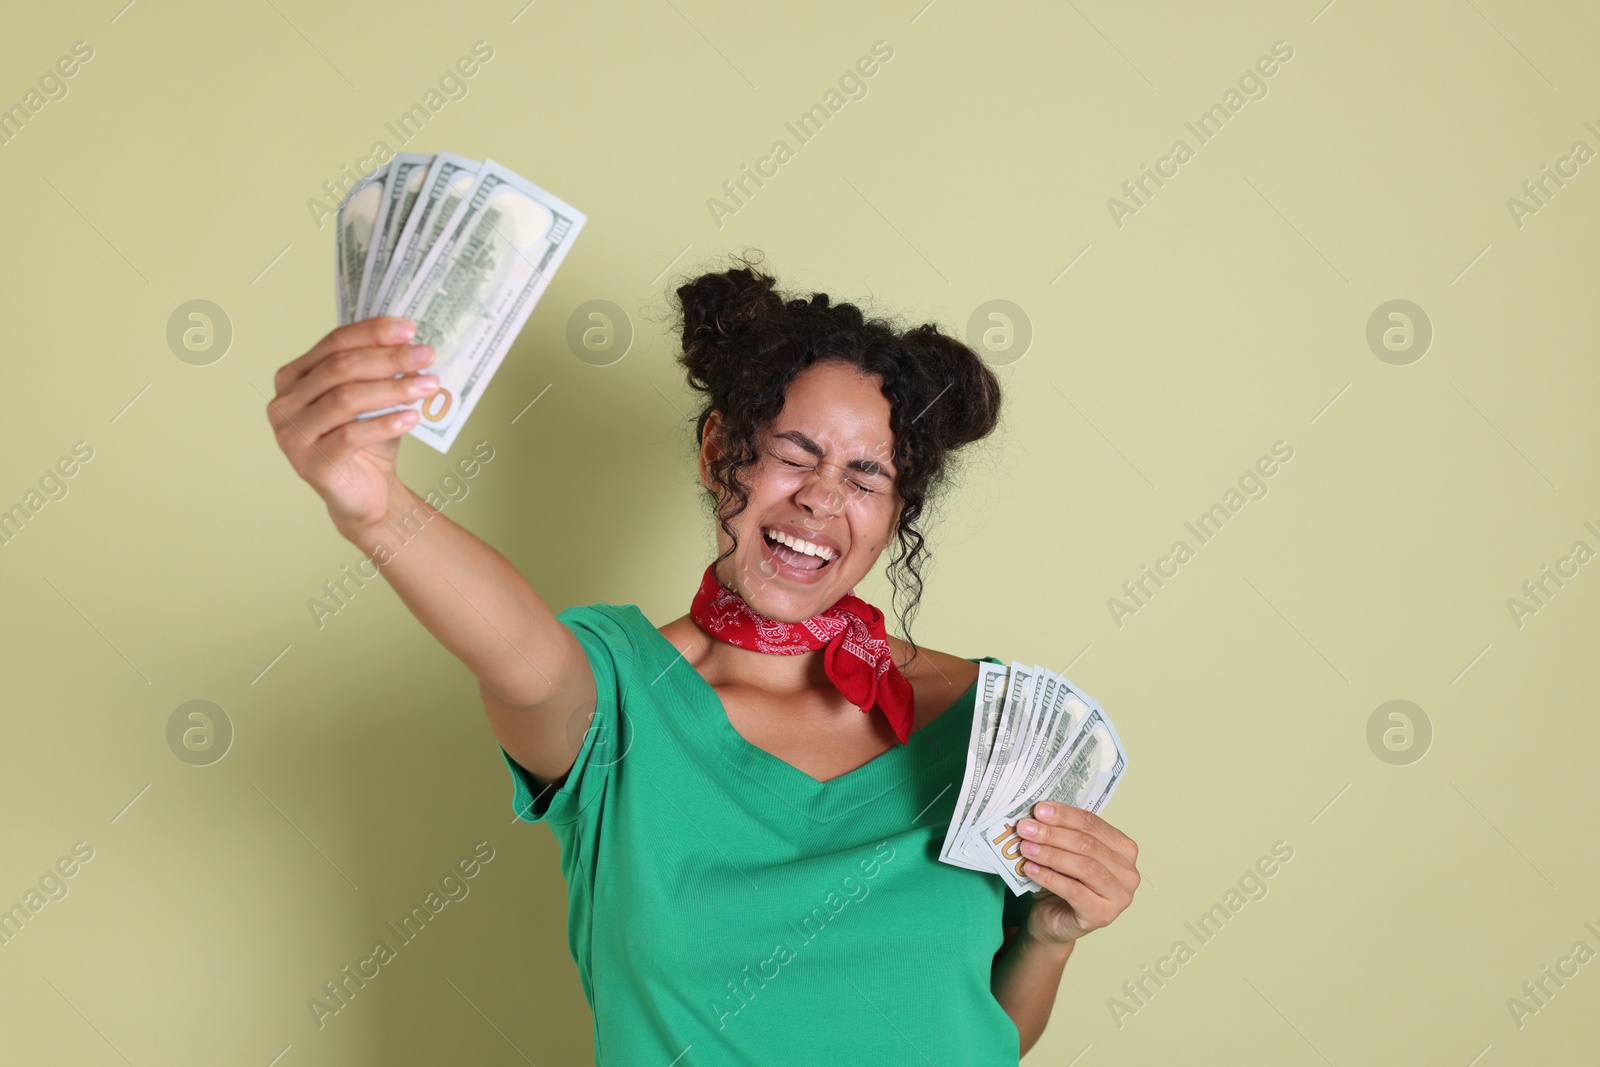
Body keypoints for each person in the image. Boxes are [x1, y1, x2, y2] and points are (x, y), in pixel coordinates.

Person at [266, 255, 1140, 1063]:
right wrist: (377, 508)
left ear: (896, 510)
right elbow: (521, 656)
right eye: (795, 454)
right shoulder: (616, 697)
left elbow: (972, 1031)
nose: (822, 498)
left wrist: (1049, 936)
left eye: (868, 477)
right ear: (722, 448)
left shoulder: (996, 723)